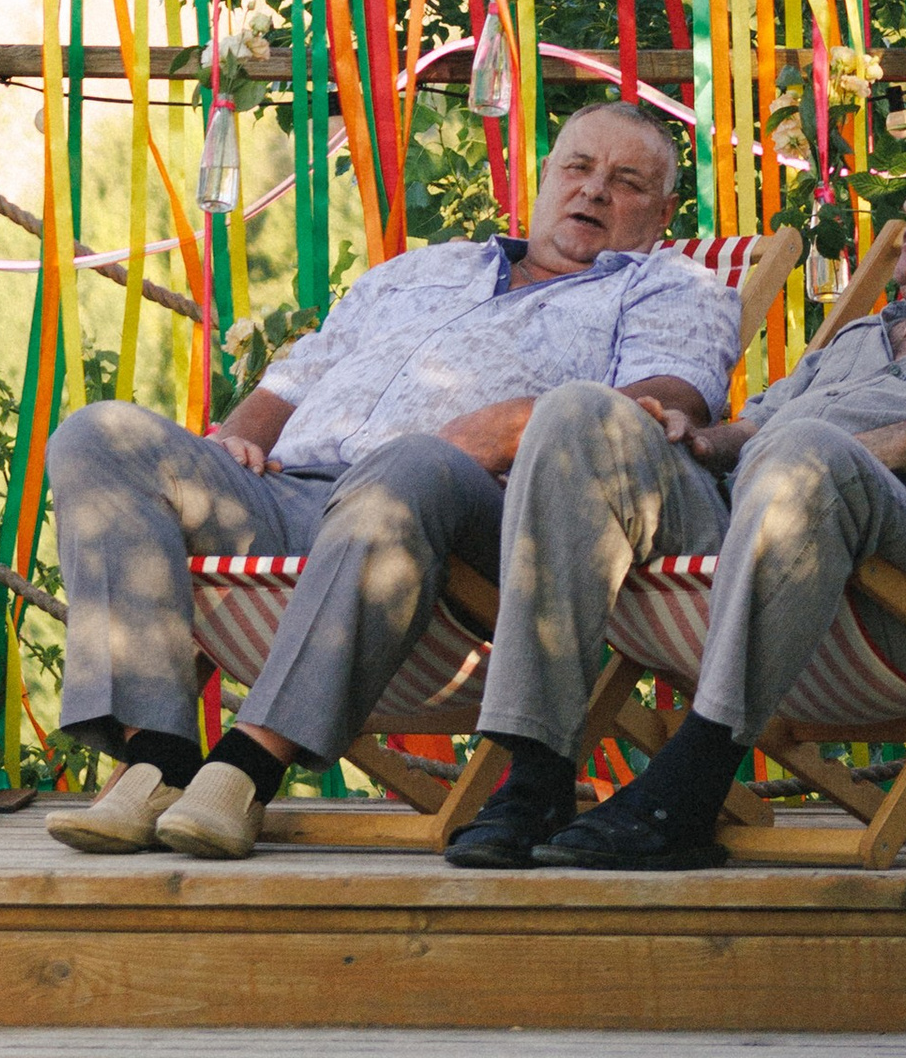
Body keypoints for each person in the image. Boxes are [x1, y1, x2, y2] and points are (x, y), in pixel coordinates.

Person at [45, 97, 741, 860]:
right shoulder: (423, 269)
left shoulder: (671, 286)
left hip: (467, 521)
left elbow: (658, 408)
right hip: (293, 493)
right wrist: (240, 437)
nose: (594, 190)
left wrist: (509, 424)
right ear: (544, 178)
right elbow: (296, 375)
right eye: (577, 167)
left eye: (627, 181)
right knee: (99, 436)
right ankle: (158, 757)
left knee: (412, 460)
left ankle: (247, 766)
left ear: (663, 213)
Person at [444, 130, 906, 871]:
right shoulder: (854, 340)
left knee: (808, 449)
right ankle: (536, 772)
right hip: (750, 550)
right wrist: (700, 437)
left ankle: (692, 785)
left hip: (904, 608)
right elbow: (753, 431)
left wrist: (888, 447)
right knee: (579, 413)